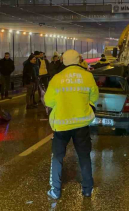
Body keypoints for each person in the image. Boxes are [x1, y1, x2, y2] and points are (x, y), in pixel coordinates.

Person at [44, 49, 99, 200]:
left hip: (61, 125)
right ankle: (87, 189)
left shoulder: (57, 78)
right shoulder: (87, 76)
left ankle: (55, 191)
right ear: (78, 59)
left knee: (57, 157)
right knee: (84, 156)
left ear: (63, 60)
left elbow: (48, 101)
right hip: (81, 124)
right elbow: (94, 96)